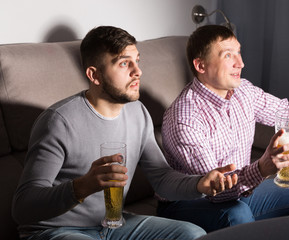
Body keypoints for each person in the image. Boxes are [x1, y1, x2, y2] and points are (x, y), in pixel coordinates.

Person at [11, 26, 239, 240]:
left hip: (113, 224)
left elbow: (161, 178)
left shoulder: (137, 112)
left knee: (192, 234)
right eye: (123, 63)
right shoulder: (58, 122)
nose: (138, 71)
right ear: (94, 75)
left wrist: (200, 184)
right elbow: (22, 208)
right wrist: (82, 186)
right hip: (55, 230)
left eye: (137, 61)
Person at [158, 25, 289, 232]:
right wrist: (261, 169)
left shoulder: (243, 91)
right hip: (189, 203)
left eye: (239, 53)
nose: (241, 63)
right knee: (237, 214)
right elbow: (215, 191)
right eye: (228, 56)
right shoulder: (184, 118)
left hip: (239, 191)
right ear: (201, 66)